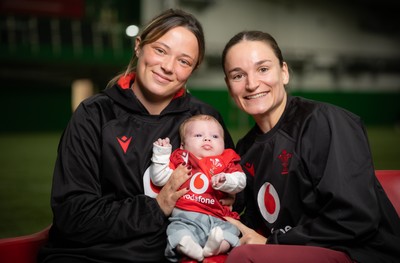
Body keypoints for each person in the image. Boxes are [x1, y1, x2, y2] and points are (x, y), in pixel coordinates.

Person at [38, 9, 235, 263]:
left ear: (193, 69)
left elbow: (233, 198)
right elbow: (73, 215)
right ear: (139, 46)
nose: (167, 67)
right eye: (161, 50)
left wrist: (229, 194)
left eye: (184, 61)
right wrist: (156, 207)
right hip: (93, 257)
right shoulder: (94, 114)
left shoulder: (205, 120)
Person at [221, 30, 400, 263]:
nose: (252, 84)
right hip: (299, 249)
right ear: (229, 85)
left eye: (263, 69)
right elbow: (255, 224)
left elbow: (354, 219)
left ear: (284, 72)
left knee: (245, 257)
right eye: (238, 76)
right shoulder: (245, 148)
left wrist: (273, 243)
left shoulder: (325, 121)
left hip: (361, 253)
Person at [149, 114, 246, 262]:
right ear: (183, 145)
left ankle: (215, 247)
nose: (207, 139)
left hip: (218, 218)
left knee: (231, 231)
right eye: (198, 135)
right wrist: (161, 154)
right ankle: (187, 247)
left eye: (215, 136)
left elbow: (240, 181)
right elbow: (160, 179)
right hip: (186, 216)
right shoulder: (181, 158)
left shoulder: (226, 161)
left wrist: (226, 180)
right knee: (176, 230)